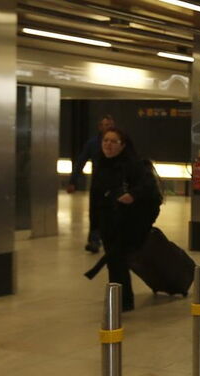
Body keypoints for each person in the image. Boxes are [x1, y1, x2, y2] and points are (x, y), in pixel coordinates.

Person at [91, 128, 161, 312]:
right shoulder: (100, 166)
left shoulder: (135, 166)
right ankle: (119, 298)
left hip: (129, 223)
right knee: (114, 263)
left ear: (123, 145)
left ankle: (123, 301)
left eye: (114, 141)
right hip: (108, 223)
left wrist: (132, 195)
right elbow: (95, 197)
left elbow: (149, 190)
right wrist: (94, 226)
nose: (108, 145)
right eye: (106, 140)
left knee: (117, 260)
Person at [68, 114, 115, 253]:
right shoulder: (93, 143)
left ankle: (110, 240)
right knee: (95, 213)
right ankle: (94, 241)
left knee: (112, 213)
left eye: (109, 125)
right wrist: (73, 181)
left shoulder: (120, 142)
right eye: (105, 125)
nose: (107, 127)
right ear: (100, 127)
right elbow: (81, 161)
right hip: (98, 184)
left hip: (115, 184)